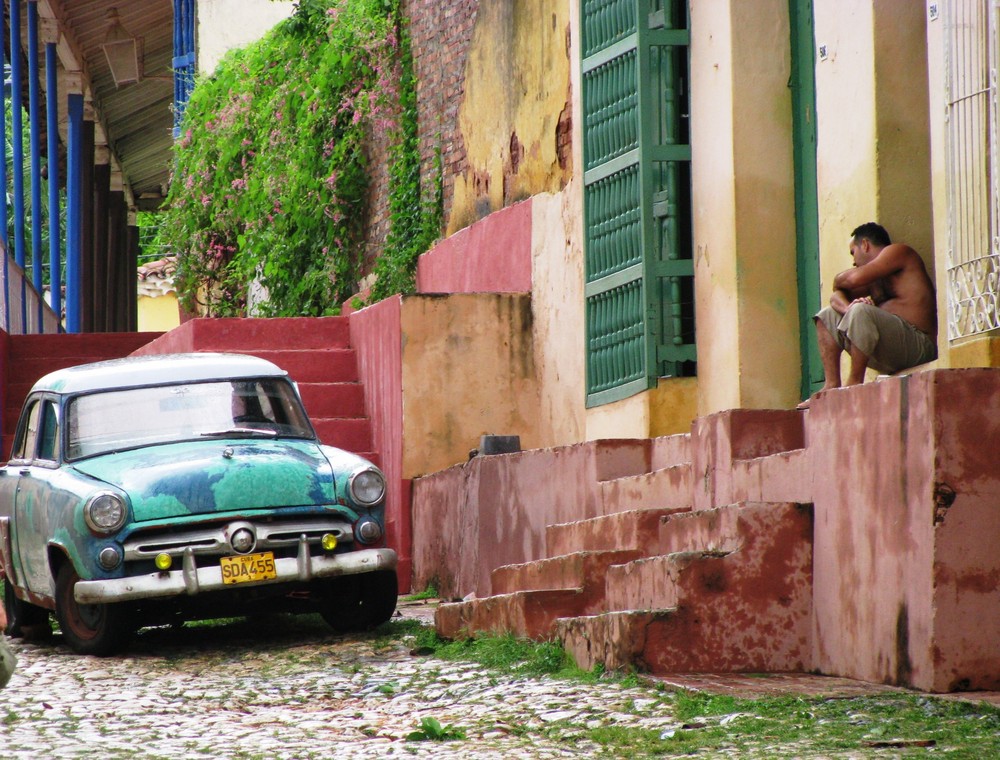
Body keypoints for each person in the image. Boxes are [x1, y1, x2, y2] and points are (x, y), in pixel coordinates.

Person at [798, 222, 937, 409]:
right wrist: (848, 309)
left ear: (865, 245)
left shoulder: (898, 252)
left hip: (918, 344)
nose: (853, 262)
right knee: (827, 315)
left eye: (853, 253)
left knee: (861, 310)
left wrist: (840, 283)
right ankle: (831, 384)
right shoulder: (875, 278)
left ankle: (854, 382)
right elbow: (835, 296)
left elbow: (850, 280)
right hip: (890, 352)